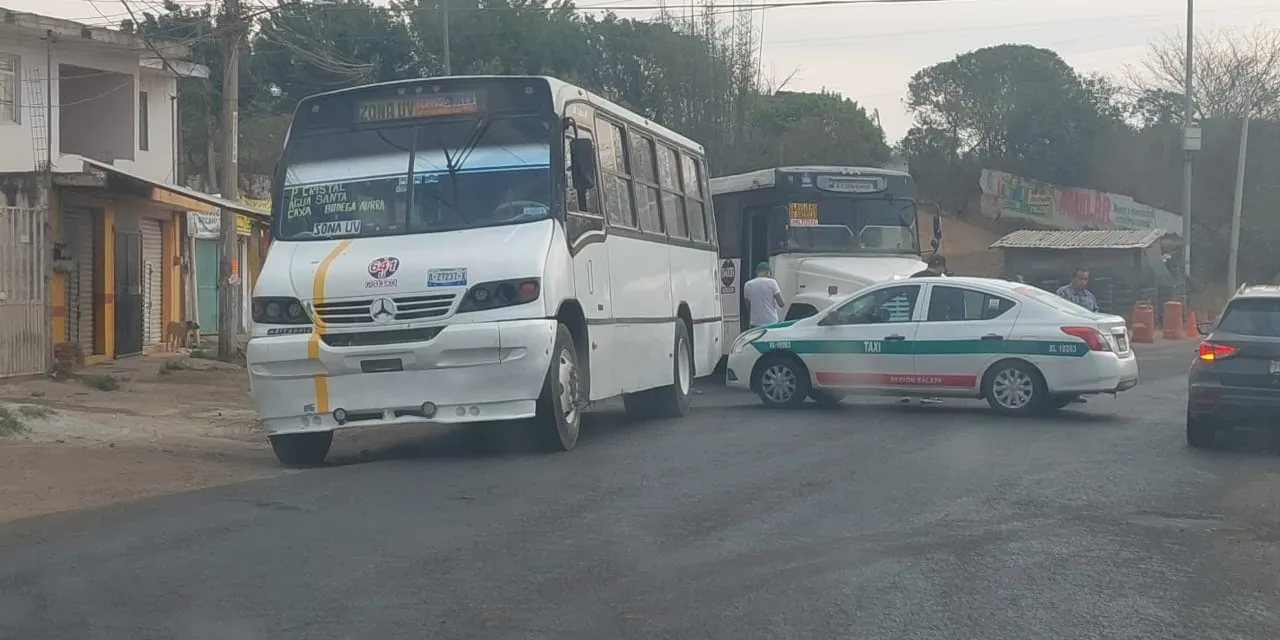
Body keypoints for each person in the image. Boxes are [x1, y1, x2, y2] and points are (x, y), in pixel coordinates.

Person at [901, 254, 947, 405]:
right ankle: (929, 394)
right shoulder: (939, 282)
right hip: (932, 328)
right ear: (941, 267)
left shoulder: (914, 277)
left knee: (909, 360)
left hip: (911, 325)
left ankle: (905, 392)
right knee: (930, 362)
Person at [1056, 267, 1097, 405]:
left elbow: (1095, 315)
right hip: (1067, 335)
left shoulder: (1090, 297)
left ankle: (1076, 393)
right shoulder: (1062, 294)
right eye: (1080, 279)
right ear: (1073, 278)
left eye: (1085, 279)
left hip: (1084, 338)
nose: (1083, 282)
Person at [743, 261, 785, 328]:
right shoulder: (772, 282)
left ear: (757, 272)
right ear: (768, 272)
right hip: (771, 322)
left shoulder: (747, 285)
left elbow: (748, 306)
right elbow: (781, 304)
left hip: (755, 323)